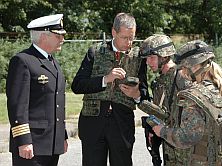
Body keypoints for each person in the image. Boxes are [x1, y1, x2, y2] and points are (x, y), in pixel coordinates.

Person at [71, 13, 149, 166]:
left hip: (122, 124)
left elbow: (145, 93)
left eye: (132, 37)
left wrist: (137, 94)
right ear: (114, 32)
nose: (129, 42)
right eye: (124, 37)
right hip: (93, 123)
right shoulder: (94, 52)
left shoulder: (138, 57)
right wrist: (105, 79)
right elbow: (77, 85)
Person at [152, 40, 222, 165]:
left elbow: (186, 137)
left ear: (195, 67)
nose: (182, 73)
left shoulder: (194, 97)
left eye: (184, 68)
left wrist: (162, 131)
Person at [6, 14, 68, 166]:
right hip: (33, 144)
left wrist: (62, 136)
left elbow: (57, 103)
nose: (62, 39)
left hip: (52, 143)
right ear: (43, 36)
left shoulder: (53, 62)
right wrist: (23, 141)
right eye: (58, 35)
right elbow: (17, 106)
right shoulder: (23, 61)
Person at [138, 34, 190, 166]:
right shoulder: (159, 81)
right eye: (146, 58)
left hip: (186, 148)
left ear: (165, 56)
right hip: (169, 146)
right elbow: (162, 112)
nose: (147, 62)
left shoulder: (182, 77)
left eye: (151, 58)